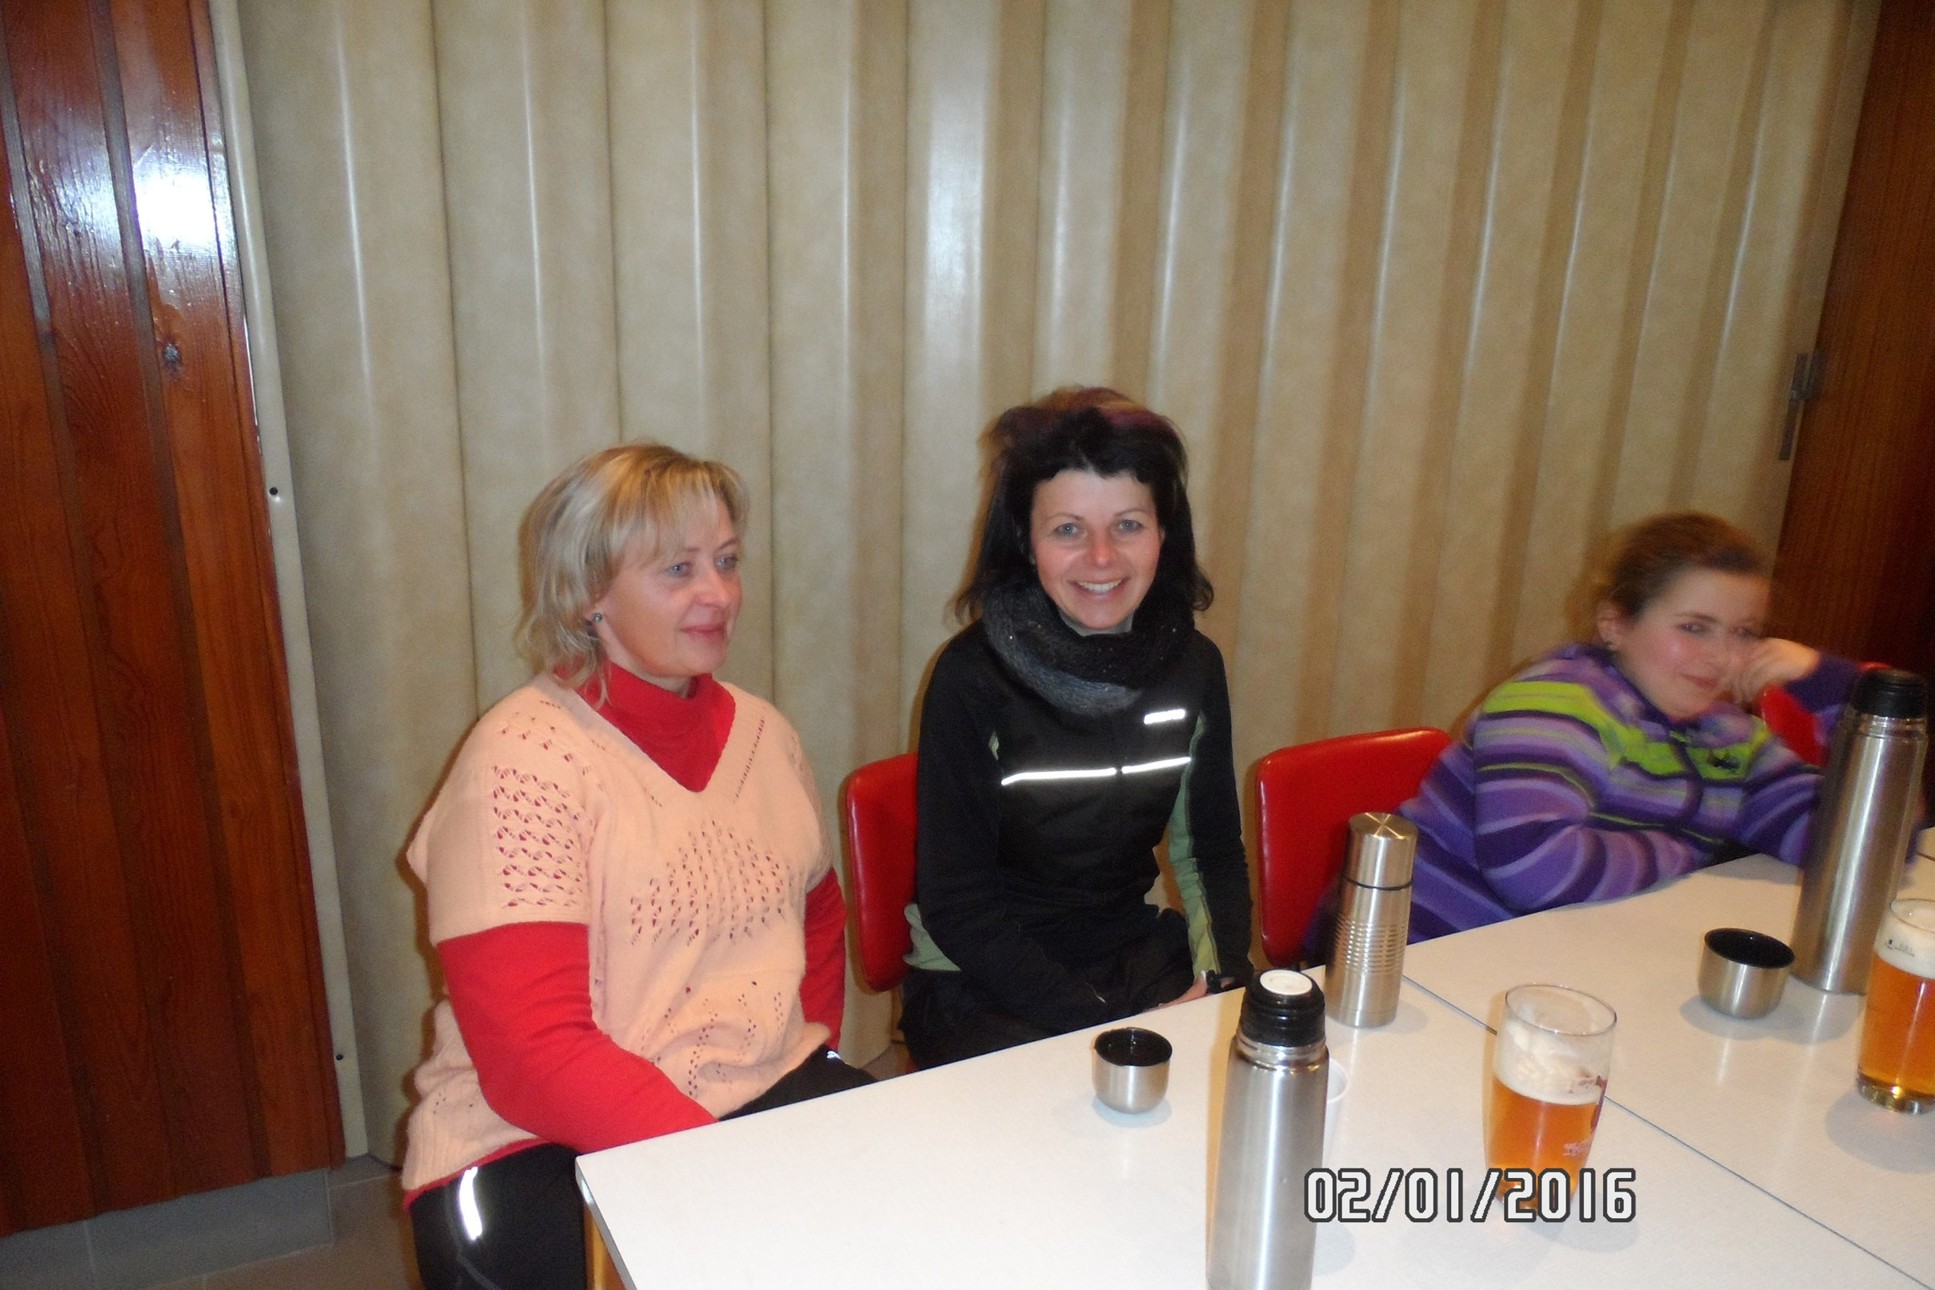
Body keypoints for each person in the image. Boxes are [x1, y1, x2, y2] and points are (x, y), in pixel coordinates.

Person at [402, 444, 870, 1290]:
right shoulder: (521, 762)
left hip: (748, 1095)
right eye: (678, 569)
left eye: (727, 561)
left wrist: (803, 1061)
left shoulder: (765, 734)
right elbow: (532, 1057)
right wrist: (722, 1163)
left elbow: (817, 918)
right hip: (526, 1138)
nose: (718, 594)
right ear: (588, 594)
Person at [900, 387, 1255, 1069]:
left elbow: (1209, 851)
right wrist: (1101, 1025)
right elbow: (958, 904)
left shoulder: (1192, 667)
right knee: (1062, 1106)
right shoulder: (972, 677)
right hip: (976, 973)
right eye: (1067, 529)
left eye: (1128, 525)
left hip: (1122, 946)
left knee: (1237, 1064)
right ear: (1025, 541)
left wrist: (1217, 982)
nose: (1101, 558)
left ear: (1164, 534)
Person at [1404, 510, 1860, 942]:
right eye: (1695, 628)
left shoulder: (1727, 737)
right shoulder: (1557, 702)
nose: (1723, 656)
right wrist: (1680, 851)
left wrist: (1828, 683)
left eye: (1744, 633)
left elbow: (1856, 847)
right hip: (1428, 953)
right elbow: (1533, 869)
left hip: (1561, 951)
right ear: (1615, 624)